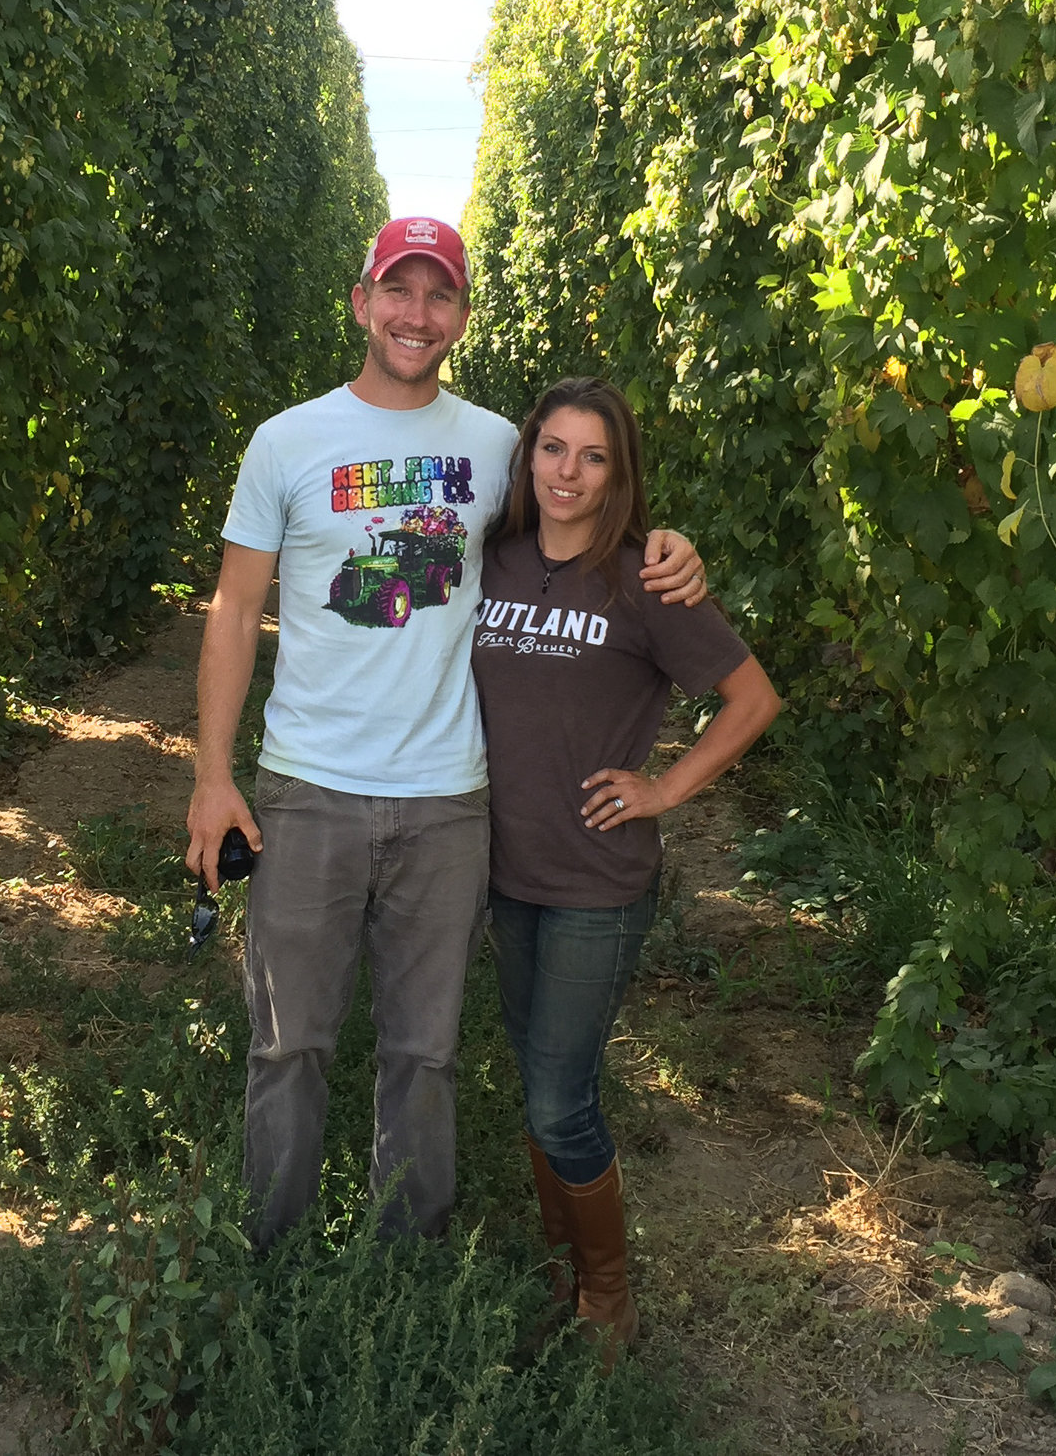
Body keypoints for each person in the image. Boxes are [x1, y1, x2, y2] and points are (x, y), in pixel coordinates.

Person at [184, 217, 708, 1251]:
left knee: (423, 1051)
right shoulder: (287, 442)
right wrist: (212, 775)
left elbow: (581, 512)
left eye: (439, 297)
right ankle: (269, 1254)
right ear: (362, 302)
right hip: (306, 783)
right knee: (289, 1044)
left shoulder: (496, 447)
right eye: (399, 291)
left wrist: (672, 546)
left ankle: (407, 1261)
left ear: (462, 317)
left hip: (446, 799)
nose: (416, 315)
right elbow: (235, 611)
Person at [471, 376, 779, 1359]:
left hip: (597, 883)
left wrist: (662, 788)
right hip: (503, 870)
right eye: (552, 450)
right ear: (528, 459)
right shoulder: (495, 560)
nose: (568, 472)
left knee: (561, 1096)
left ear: (618, 472)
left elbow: (751, 698)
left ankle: (608, 1300)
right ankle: (561, 1275)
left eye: (592, 455)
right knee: (533, 1082)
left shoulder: (646, 576)